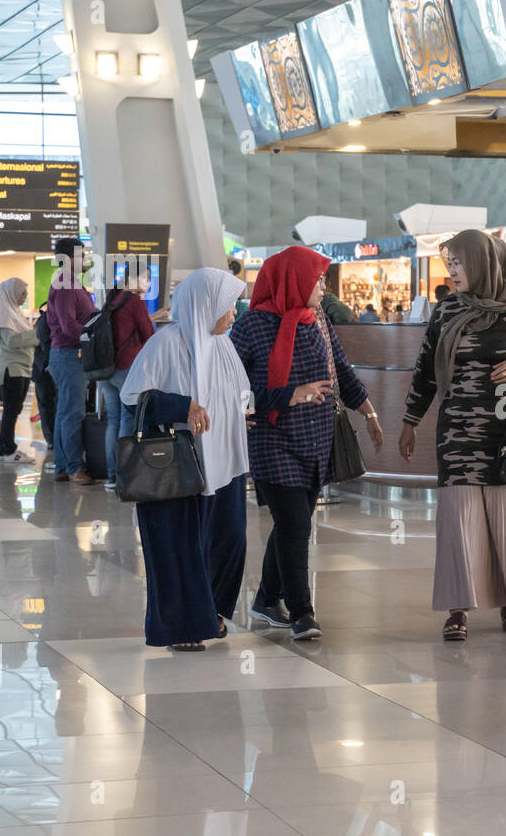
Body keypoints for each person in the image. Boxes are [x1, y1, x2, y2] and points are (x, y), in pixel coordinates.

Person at [399, 229, 506, 641]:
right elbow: (425, 371)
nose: (452, 271)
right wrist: (410, 421)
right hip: (458, 434)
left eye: (459, 263)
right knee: (460, 518)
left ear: (482, 263)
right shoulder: (447, 310)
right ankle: (457, 608)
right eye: (449, 264)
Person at [231, 246, 384, 641]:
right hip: (271, 439)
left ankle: (267, 598)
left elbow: (341, 373)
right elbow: (232, 393)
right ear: (292, 280)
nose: (322, 286)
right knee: (296, 524)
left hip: (316, 441)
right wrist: (289, 395)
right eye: (316, 279)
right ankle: (302, 613)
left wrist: (368, 413)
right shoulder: (250, 327)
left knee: (291, 525)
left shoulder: (317, 320)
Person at [120, 268, 251, 650]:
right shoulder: (166, 345)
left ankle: (212, 613)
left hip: (224, 463)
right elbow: (134, 397)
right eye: (228, 306)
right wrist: (184, 405)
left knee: (228, 540)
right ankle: (182, 627)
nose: (233, 314)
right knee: (179, 547)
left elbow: (242, 392)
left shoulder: (223, 346)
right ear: (205, 305)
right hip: (178, 467)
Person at [98, 268, 156, 490]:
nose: (149, 283)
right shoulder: (134, 301)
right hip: (127, 369)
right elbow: (148, 336)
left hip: (107, 369)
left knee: (113, 420)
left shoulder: (113, 297)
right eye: (146, 277)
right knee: (127, 420)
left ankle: (112, 476)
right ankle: (125, 475)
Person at [46, 237, 97, 485]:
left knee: (65, 411)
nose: (85, 259)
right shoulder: (66, 285)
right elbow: (69, 327)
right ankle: (75, 467)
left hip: (66, 354)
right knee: (72, 412)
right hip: (69, 354)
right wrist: (93, 336)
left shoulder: (71, 283)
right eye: (81, 255)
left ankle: (63, 466)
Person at [0, 277, 38, 465]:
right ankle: (7, 449)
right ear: (11, 294)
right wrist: (36, 335)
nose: (24, 297)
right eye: (22, 293)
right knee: (11, 410)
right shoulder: (4, 316)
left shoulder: (16, 313)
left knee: (15, 410)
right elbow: (11, 342)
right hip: (12, 368)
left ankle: (6, 447)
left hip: (23, 367)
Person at [32, 300, 57, 469]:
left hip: (46, 368)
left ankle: (53, 440)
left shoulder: (49, 318)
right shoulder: (45, 320)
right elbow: (46, 345)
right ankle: (52, 441)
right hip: (44, 370)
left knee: (49, 405)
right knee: (47, 406)